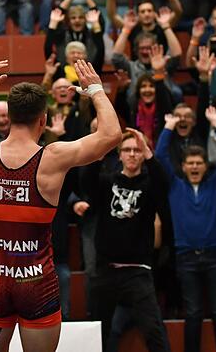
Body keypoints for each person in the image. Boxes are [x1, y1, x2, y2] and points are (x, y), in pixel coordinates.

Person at [0, 59, 122, 351]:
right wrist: (97, 90)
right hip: (37, 284)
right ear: (43, 120)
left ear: (9, 117)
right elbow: (111, 135)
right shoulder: (53, 158)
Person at [78, 128, 171, 351]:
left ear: (143, 154)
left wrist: (149, 152)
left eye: (136, 150)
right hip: (106, 271)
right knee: (100, 331)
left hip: (138, 271)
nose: (131, 154)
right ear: (119, 154)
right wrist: (99, 152)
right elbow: (86, 183)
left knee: (154, 332)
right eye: (127, 150)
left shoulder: (150, 185)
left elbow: (163, 185)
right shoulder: (107, 182)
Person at [157, 106, 216, 352]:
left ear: (205, 166)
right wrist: (168, 128)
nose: (194, 167)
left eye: (199, 163)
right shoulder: (175, 186)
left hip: (215, 255)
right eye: (190, 163)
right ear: (183, 166)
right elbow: (160, 156)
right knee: (193, 313)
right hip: (186, 257)